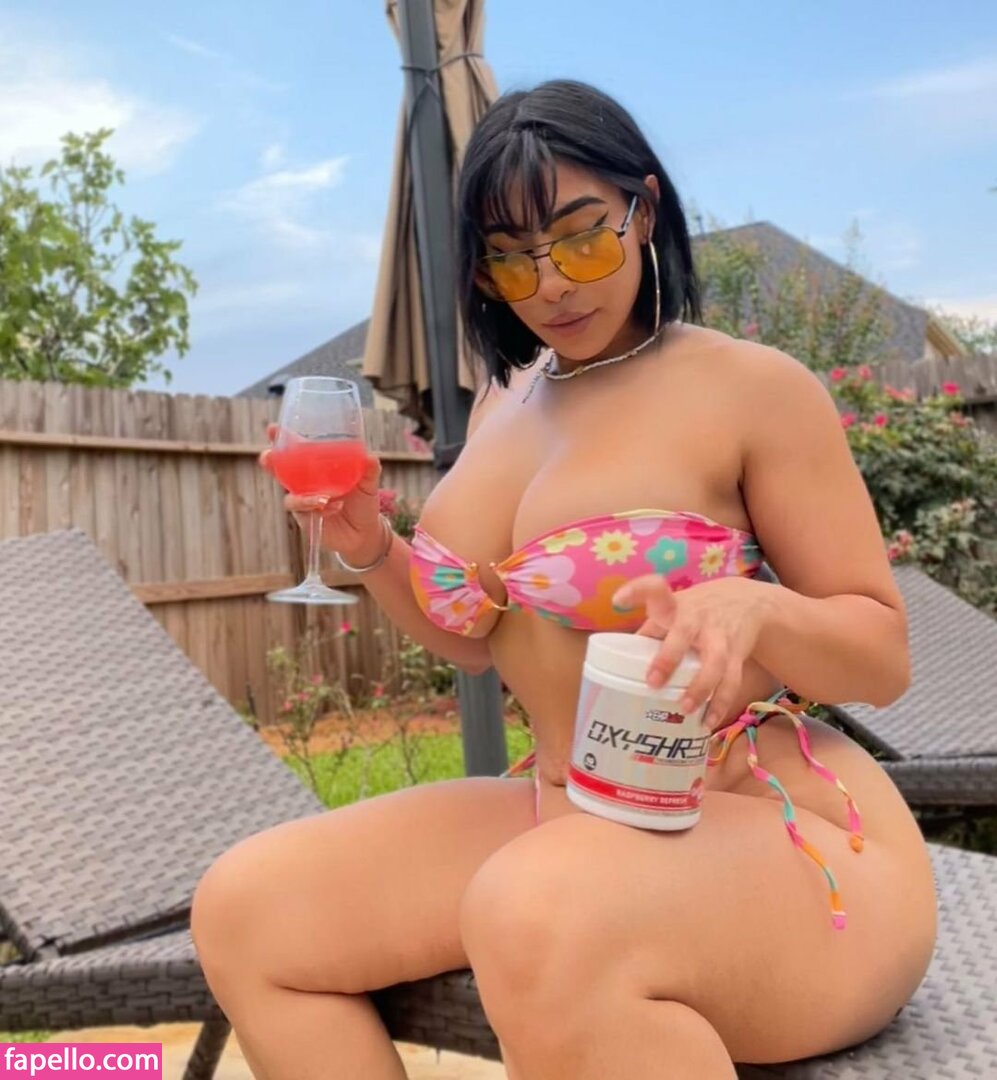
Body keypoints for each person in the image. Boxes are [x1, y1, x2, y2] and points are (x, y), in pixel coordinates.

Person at [190, 80, 937, 1080]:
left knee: (533, 908)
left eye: (582, 239)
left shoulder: (751, 389)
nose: (550, 284)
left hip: (774, 824)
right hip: (567, 808)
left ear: (644, 211)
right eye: (510, 257)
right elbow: (473, 636)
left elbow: (880, 656)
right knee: (249, 910)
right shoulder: (503, 402)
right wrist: (372, 548)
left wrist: (756, 606)